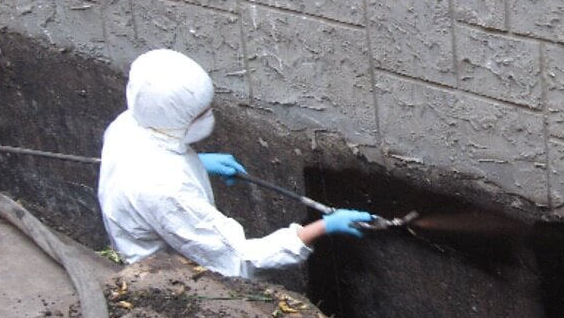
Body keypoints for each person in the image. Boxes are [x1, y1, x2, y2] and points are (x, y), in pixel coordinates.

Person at [97, 49, 375, 278]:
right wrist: (323, 227)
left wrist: (197, 164)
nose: (209, 114)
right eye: (200, 113)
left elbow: (149, 168)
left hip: (142, 233)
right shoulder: (167, 191)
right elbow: (239, 261)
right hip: (163, 280)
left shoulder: (128, 125)